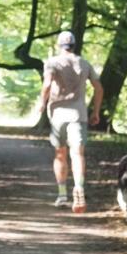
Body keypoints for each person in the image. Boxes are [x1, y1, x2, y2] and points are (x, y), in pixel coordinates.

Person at [38, 30, 103, 213]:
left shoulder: (53, 63)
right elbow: (99, 88)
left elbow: (47, 85)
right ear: (74, 45)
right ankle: (79, 187)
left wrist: (41, 104)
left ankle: (61, 194)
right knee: (78, 153)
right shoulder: (84, 63)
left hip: (58, 114)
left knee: (60, 154)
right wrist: (96, 111)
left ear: (60, 46)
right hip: (79, 114)